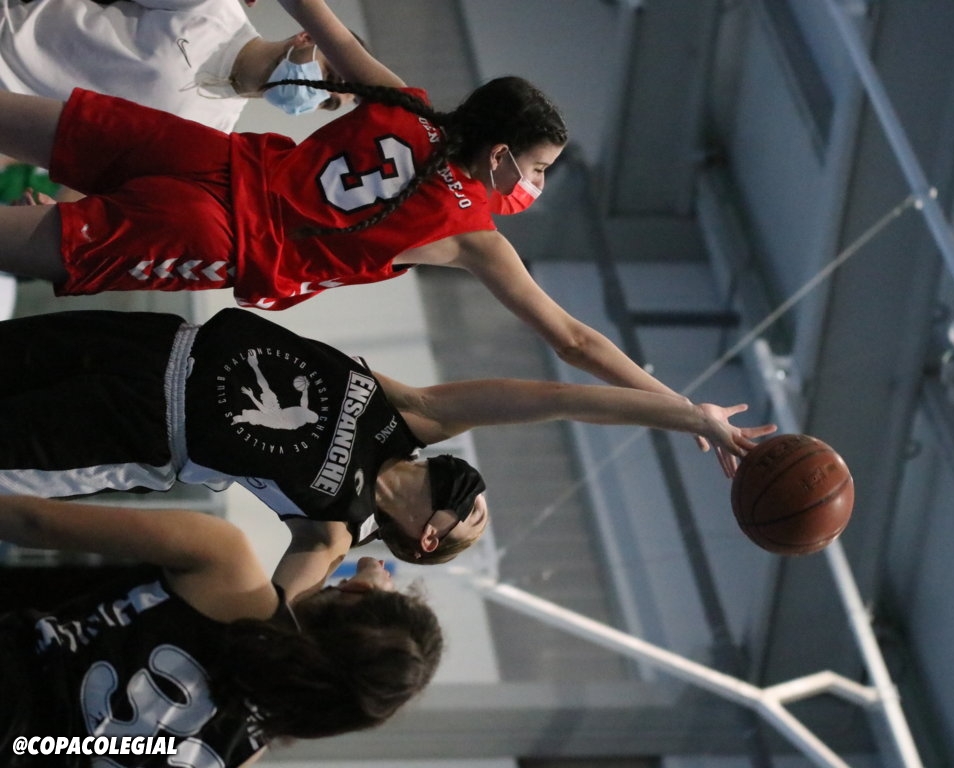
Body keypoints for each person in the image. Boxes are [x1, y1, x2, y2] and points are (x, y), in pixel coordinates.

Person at [0, 0, 735, 464]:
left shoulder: (404, 103)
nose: (535, 187)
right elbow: (575, 342)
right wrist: (682, 410)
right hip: (210, 235)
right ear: (501, 155)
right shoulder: (474, 237)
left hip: (201, 153)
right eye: (537, 169)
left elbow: (315, 16)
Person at [0, 308, 776, 600]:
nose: (477, 495)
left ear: (426, 538)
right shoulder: (412, 417)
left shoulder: (331, 529)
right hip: (150, 341)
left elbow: (270, 622)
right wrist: (688, 415)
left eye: (474, 517)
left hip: (126, 429)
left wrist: (359, 606)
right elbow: (558, 397)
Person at [0, 494, 444, 766]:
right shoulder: (241, 752)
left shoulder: (226, 562)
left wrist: (366, 576)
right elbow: (305, 579)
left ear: (354, 594)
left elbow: (33, 522)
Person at [0, 0, 352, 133]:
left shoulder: (213, 132)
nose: (321, 95)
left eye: (329, 103)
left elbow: (102, 161)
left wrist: (58, 209)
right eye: (330, 76)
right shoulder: (214, 9)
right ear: (307, 36)